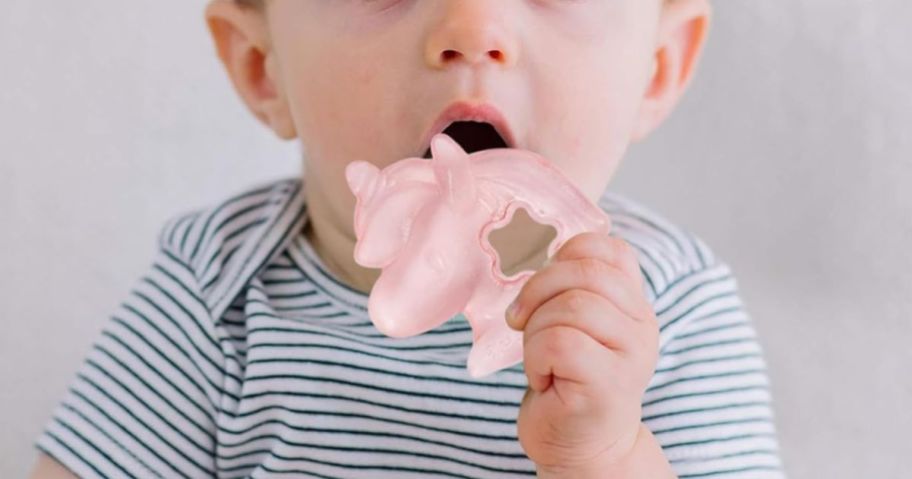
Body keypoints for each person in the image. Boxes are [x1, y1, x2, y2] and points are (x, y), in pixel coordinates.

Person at [30, 0, 786, 477]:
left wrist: (603, 452)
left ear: (656, 70)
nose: (471, 27)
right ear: (263, 68)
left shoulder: (666, 314)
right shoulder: (216, 286)